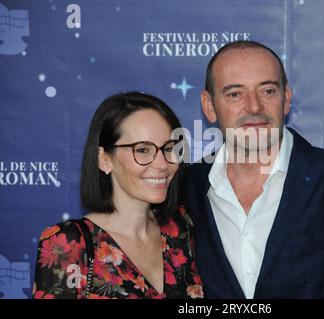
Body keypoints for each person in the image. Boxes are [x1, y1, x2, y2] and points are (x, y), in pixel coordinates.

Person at [184, 40, 324, 298]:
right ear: (209, 106)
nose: (254, 107)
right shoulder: (188, 185)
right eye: (235, 94)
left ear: (286, 99)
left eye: (268, 91)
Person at [33, 92, 203, 299]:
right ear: (104, 160)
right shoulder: (68, 243)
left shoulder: (182, 228)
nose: (162, 164)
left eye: (169, 149)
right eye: (142, 150)